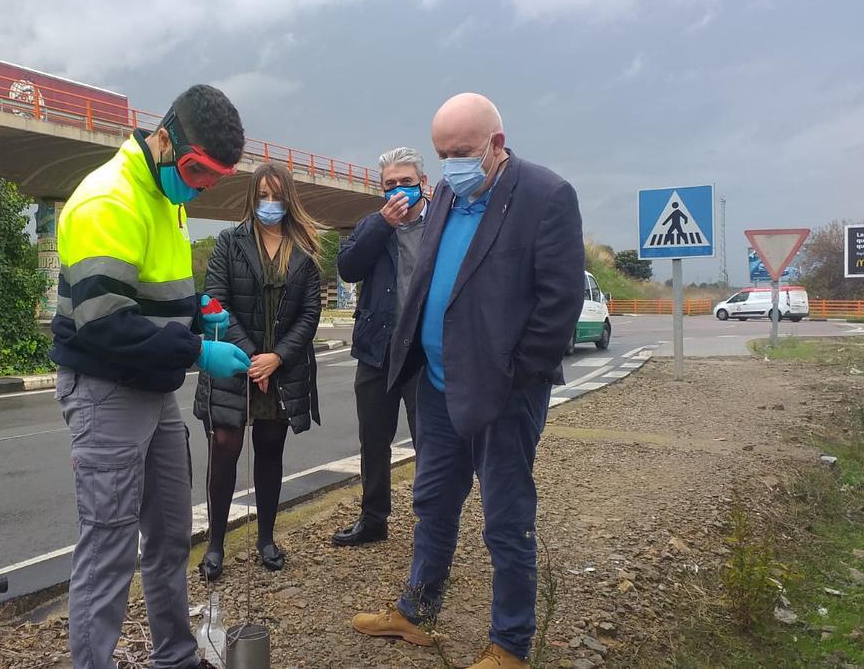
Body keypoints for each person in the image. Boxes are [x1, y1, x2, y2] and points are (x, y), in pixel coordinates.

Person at [352, 93, 585, 669]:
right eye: (442, 153)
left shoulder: (546, 196)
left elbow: (561, 304)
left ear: (496, 146)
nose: (451, 163)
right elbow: (430, 278)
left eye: (461, 151)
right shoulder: (450, 194)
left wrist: (517, 377)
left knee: (505, 517)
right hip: (437, 385)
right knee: (432, 500)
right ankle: (417, 609)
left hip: (503, 394)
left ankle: (510, 643)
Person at [51, 84, 251, 669]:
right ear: (164, 137)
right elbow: (105, 321)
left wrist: (199, 313)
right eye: (194, 170)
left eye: (213, 179)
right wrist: (197, 353)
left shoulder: (168, 196)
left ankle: (175, 656)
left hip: (153, 387)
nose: (199, 186)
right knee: (109, 544)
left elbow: (154, 285)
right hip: (106, 388)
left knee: (168, 535)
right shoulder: (107, 201)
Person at [193, 162, 322, 581]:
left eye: (277, 196)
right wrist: (252, 357)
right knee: (225, 446)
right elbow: (215, 301)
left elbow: (309, 312)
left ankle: (266, 538)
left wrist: (277, 358)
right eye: (262, 196)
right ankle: (215, 545)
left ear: (289, 198)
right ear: (252, 198)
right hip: (233, 363)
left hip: (282, 369)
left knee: (270, 447)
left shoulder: (303, 248)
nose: (270, 204)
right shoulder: (229, 243)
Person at [331, 147, 428, 547]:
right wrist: (381, 226)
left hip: (424, 352)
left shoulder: (442, 224)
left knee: (430, 441)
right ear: (381, 190)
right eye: (391, 185)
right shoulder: (372, 225)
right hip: (376, 350)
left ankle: (431, 523)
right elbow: (348, 267)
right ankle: (373, 520)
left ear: (423, 184)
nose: (400, 190)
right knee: (373, 440)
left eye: (407, 182)